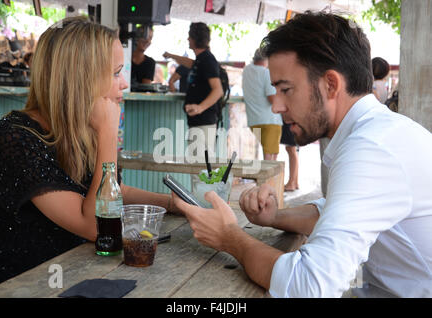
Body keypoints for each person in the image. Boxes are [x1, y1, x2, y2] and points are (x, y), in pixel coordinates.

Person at [172, 12, 432, 297]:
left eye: (286, 89)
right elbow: (335, 212)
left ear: (331, 84)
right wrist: (274, 217)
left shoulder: (371, 149)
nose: (277, 106)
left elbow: (307, 286)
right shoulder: (377, 132)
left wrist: (230, 237)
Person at [0, 17, 181, 290]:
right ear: (79, 79)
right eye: (115, 73)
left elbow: (109, 190)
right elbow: (97, 227)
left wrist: (171, 203)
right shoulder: (16, 138)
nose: (123, 83)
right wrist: (108, 133)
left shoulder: (73, 129)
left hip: (74, 274)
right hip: (23, 287)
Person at [163, 22, 223, 157]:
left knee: (199, 171)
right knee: (198, 170)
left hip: (204, 123)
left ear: (195, 39)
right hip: (199, 123)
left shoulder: (207, 60)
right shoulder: (201, 60)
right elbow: (187, 62)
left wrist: (200, 108)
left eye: (189, 36)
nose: (188, 39)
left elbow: (218, 90)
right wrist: (171, 55)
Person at [242, 48, 282, 161]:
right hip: (270, 121)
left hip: (253, 121)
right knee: (270, 158)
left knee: (267, 154)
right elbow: (272, 99)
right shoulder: (266, 73)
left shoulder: (246, 70)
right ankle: (269, 180)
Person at [280, 120, 299, 191]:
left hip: (291, 121)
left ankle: (292, 183)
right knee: (291, 149)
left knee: (291, 149)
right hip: (292, 121)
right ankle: (295, 182)